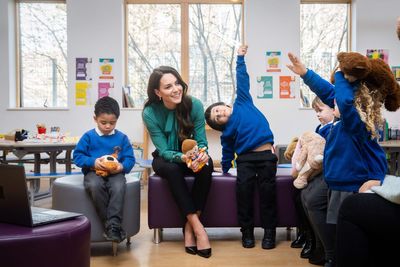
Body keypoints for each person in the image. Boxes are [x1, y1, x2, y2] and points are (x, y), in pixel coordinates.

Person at [287, 53, 388, 267]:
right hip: (338, 182)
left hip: (350, 183)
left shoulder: (355, 121)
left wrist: (342, 74)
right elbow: (330, 92)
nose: (333, 102)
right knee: (333, 221)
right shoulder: (344, 121)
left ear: (355, 102)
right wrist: (305, 73)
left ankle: (336, 256)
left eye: (338, 101)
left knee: (346, 229)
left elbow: (342, 99)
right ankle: (333, 255)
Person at [205, 45, 278, 250]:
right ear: (219, 124)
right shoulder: (227, 133)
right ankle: (246, 232)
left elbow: (242, 79)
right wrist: (225, 169)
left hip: (265, 156)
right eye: (216, 118)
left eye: (219, 110)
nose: (220, 115)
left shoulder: (242, 102)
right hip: (245, 160)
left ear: (226, 106)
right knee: (244, 194)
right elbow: (227, 152)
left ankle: (269, 232)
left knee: (267, 194)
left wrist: (240, 58)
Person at [142, 66, 213, 258]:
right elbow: (164, 150)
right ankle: (198, 228)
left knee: (207, 167)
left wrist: (202, 154)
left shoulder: (195, 105)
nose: (176, 89)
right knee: (173, 170)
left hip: (191, 154)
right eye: (168, 87)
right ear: (158, 92)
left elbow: (201, 142)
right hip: (167, 158)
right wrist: (181, 157)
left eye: (177, 83)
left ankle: (188, 229)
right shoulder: (149, 112)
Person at [73, 96, 136, 243]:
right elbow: (77, 157)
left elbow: (130, 159)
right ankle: (113, 226)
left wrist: (121, 166)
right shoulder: (88, 137)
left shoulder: (122, 138)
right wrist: (93, 162)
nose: (107, 126)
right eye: (103, 122)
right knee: (94, 185)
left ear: (117, 120)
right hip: (93, 172)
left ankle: (113, 226)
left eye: (112, 123)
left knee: (119, 186)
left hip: (116, 174)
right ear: (95, 119)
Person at [289, 96, 335, 264]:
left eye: (320, 110)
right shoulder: (320, 128)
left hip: (326, 171)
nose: (317, 114)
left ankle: (328, 250)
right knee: (301, 195)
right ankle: (315, 241)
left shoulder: (333, 129)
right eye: (315, 111)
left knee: (312, 198)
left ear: (334, 109)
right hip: (317, 171)